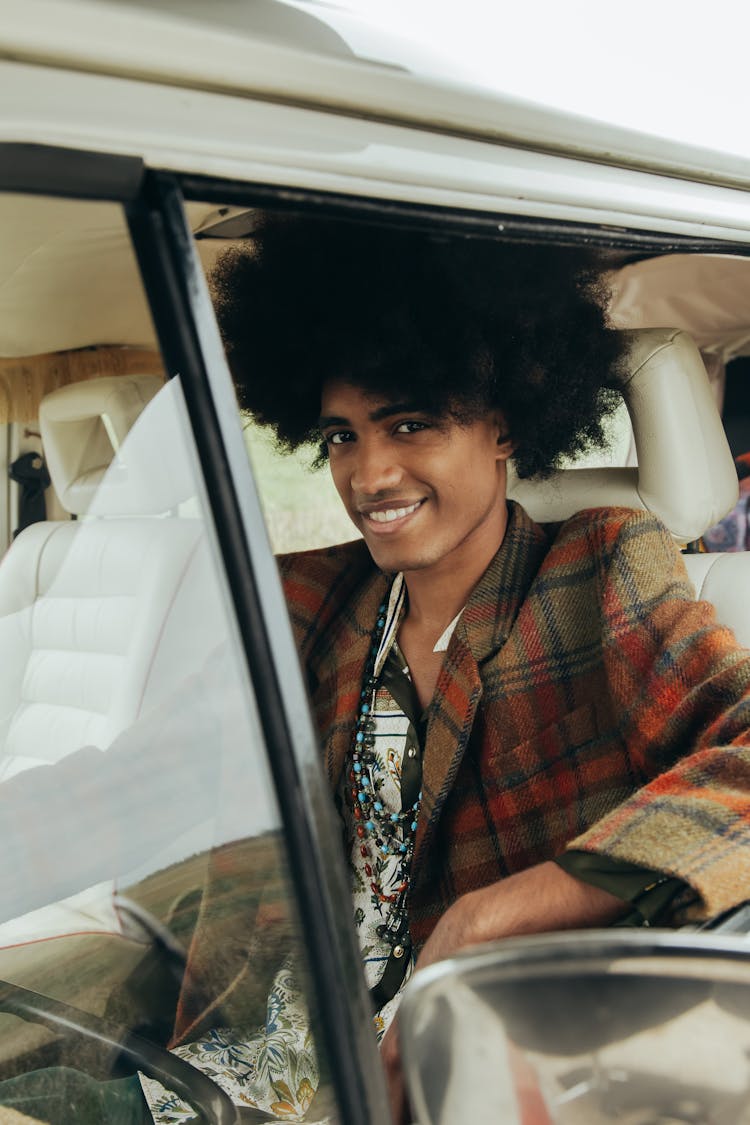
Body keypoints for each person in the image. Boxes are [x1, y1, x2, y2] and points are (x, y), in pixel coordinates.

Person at [211, 214, 750, 1122]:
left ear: (502, 428)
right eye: (341, 435)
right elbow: (166, 766)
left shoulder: (596, 569)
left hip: (451, 1067)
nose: (370, 472)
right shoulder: (314, 598)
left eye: (410, 424)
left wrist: (490, 917)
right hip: (261, 1046)